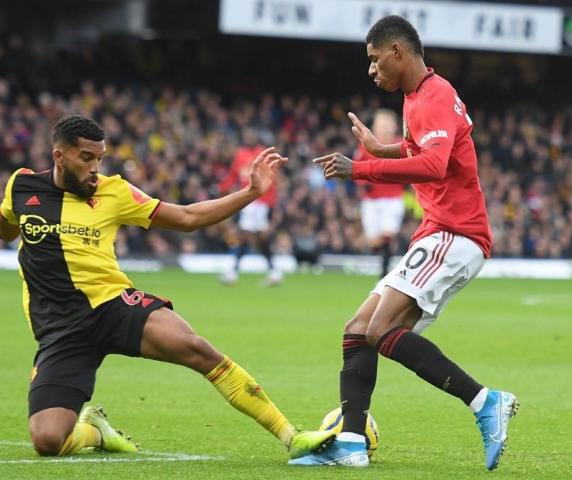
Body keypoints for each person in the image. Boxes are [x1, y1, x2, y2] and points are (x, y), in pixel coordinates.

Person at [0, 115, 335, 460]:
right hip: (60, 330)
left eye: (99, 158)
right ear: (59, 156)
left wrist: (249, 192)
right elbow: (1, 226)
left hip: (114, 306)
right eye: (86, 158)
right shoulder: (23, 185)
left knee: (198, 350)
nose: (95, 167)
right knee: (48, 441)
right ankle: (94, 431)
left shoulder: (115, 192)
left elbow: (187, 217)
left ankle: (291, 436)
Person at [289, 16, 518, 470]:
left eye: (375, 60)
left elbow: (433, 165)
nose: (372, 70)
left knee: (379, 330)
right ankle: (352, 444)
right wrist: (381, 150)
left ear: (397, 51)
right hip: (439, 232)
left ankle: (484, 400)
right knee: (358, 329)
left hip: (456, 232)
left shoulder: (433, 96)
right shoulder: (419, 97)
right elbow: (428, 150)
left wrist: (361, 168)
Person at [218, 128, 283, 286]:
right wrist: (222, 187)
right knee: (256, 236)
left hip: (258, 200)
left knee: (247, 235)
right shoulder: (240, 154)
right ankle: (273, 271)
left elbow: (272, 177)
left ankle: (233, 272)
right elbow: (234, 175)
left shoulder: (262, 153)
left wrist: (271, 200)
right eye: (246, 135)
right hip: (247, 199)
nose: (248, 138)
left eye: (251, 135)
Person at [354, 109, 406, 278]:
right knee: (373, 241)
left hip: (393, 199)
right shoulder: (365, 146)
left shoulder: (401, 145)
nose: (383, 129)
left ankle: (384, 273)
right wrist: (363, 183)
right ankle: (385, 259)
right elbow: (356, 168)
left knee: (388, 234)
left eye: (386, 125)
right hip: (371, 201)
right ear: (374, 128)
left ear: (394, 127)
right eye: (380, 125)